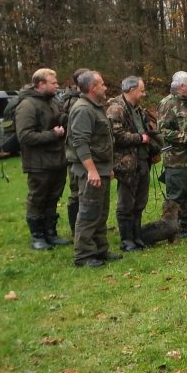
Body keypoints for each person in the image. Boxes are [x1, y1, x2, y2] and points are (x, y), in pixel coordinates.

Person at [66, 71, 117, 268]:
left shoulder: (95, 107)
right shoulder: (82, 109)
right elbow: (80, 142)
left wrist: (106, 168)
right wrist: (92, 170)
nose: (105, 87)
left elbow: (102, 141)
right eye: (102, 84)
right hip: (90, 171)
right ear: (93, 88)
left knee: (101, 212)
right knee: (88, 213)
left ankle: (100, 250)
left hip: (101, 168)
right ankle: (84, 255)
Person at [15, 68, 70, 250]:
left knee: (53, 197)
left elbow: (57, 120)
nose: (57, 86)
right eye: (53, 83)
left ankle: (50, 233)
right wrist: (53, 134)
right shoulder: (27, 105)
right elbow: (25, 136)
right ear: (41, 84)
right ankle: (37, 236)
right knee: (38, 198)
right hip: (38, 163)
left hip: (57, 159)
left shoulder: (52, 102)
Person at [106, 76, 160, 252]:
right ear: (131, 90)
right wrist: (139, 138)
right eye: (141, 90)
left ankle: (137, 236)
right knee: (126, 204)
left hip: (142, 161)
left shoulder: (138, 109)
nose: (144, 94)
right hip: (126, 164)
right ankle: (127, 240)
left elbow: (147, 131)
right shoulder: (116, 109)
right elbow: (115, 136)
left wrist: (153, 150)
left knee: (140, 202)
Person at [157, 71, 187, 236]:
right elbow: (163, 132)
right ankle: (171, 227)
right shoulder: (167, 104)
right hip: (177, 159)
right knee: (176, 195)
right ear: (182, 86)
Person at [57, 67, 91, 236]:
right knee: (76, 191)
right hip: (75, 154)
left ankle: (89, 224)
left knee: (88, 191)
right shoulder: (73, 102)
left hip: (83, 153)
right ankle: (75, 228)